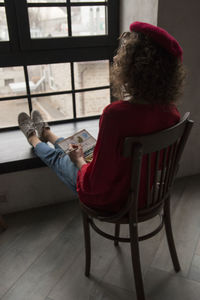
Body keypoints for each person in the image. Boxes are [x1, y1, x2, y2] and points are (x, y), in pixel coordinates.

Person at [18, 21, 185, 212]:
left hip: (111, 200)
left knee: (60, 157)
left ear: (131, 67)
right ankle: (46, 133)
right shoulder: (172, 113)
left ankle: (32, 137)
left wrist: (79, 161)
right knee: (78, 145)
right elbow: (158, 161)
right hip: (144, 194)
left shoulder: (115, 115)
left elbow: (96, 182)